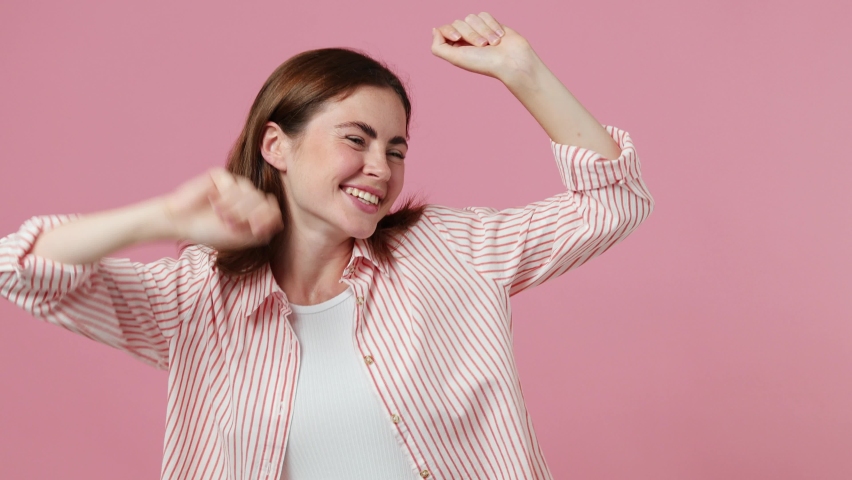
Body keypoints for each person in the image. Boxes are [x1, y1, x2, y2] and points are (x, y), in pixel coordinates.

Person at [0, 12, 653, 480]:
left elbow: (611, 203)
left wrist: (523, 72)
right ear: (276, 146)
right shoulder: (199, 297)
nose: (381, 166)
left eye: (395, 149)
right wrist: (161, 216)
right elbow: (22, 268)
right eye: (356, 138)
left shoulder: (451, 249)